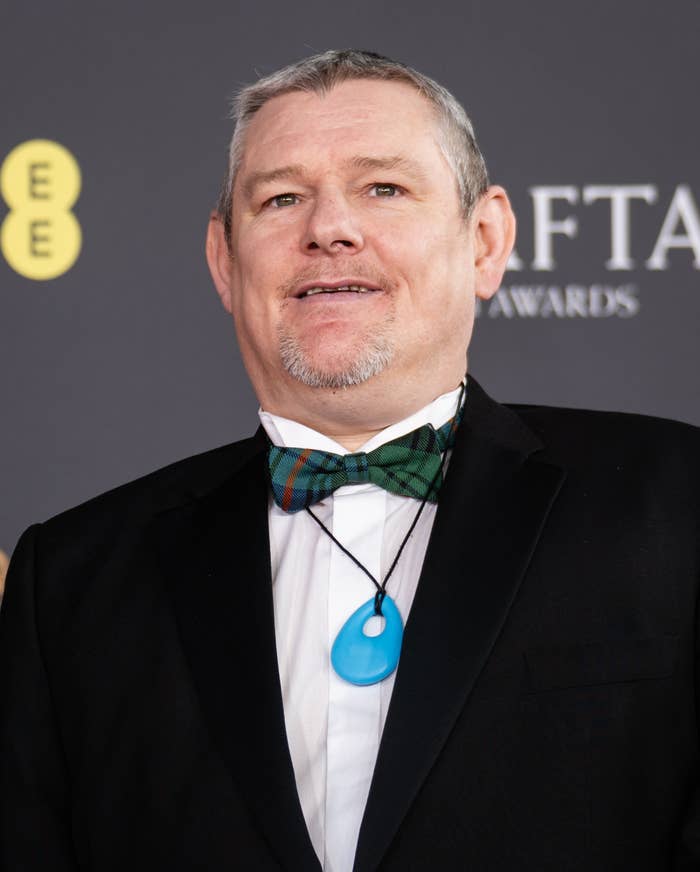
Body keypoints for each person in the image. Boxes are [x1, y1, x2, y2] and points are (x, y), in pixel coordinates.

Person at [1, 48, 699, 872]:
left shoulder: (678, 503)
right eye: (282, 198)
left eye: (384, 188)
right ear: (225, 260)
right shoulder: (71, 581)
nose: (329, 228)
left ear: (484, 242)